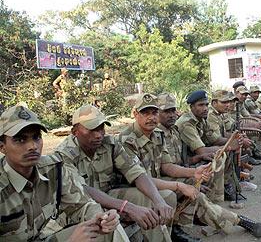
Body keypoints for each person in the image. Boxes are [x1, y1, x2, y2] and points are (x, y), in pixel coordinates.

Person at [53, 104, 175, 242]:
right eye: (92, 129)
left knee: (150, 198)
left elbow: (137, 172)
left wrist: (158, 200)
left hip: (109, 197)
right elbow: (83, 190)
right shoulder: (63, 155)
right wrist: (127, 207)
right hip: (81, 207)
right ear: (75, 131)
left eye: (101, 128)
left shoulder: (110, 144)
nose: (98, 135)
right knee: (106, 220)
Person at [0, 105, 121, 241]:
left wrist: (101, 218)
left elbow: (81, 205)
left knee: (101, 229)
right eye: (20, 139)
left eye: (36, 137)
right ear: (2, 146)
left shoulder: (53, 169)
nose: (32, 146)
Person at [156, 93, 261, 238]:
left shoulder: (173, 131)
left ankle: (212, 207)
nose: (172, 115)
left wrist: (195, 162)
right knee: (198, 194)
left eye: (173, 110)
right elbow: (165, 168)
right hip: (162, 179)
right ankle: (239, 221)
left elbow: (181, 160)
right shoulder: (170, 129)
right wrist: (191, 174)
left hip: (177, 171)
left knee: (213, 164)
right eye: (166, 111)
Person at [117, 93, 206, 241]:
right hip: (133, 186)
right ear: (135, 114)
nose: (151, 118)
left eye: (154, 113)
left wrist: (194, 172)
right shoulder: (126, 140)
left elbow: (167, 166)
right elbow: (141, 178)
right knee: (169, 194)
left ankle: (174, 229)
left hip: (154, 181)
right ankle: (161, 236)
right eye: (145, 113)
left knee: (191, 183)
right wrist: (177, 185)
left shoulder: (157, 134)